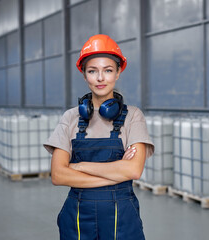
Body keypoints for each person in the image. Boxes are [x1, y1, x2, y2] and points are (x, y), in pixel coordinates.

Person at [44, 34, 154, 240]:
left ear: (118, 73)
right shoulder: (71, 117)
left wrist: (78, 166)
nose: (100, 78)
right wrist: (114, 172)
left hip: (121, 216)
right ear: (84, 75)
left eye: (108, 70)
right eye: (92, 71)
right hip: (77, 215)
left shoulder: (133, 116)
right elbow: (58, 175)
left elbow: (133, 170)